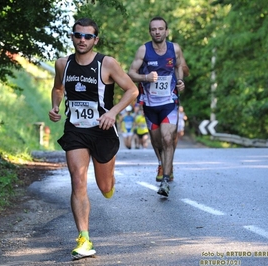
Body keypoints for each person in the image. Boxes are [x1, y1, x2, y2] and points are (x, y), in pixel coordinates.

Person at [48, 18, 138, 260]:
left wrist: (112, 112)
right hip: (76, 130)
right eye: (78, 35)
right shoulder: (62, 64)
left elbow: (132, 90)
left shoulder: (107, 63)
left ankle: (109, 180)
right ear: (72, 37)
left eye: (88, 36)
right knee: (78, 180)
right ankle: (84, 238)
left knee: (104, 186)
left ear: (95, 40)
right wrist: (55, 106)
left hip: (102, 130)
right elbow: (58, 88)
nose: (82, 40)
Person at [128, 16, 186, 197]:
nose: (157, 32)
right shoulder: (143, 50)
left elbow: (180, 66)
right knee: (156, 141)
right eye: (154, 29)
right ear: (150, 32)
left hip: (169, 102)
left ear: (166, 31)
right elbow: (131, 72)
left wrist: (180, 80)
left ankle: (166, 180)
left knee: (168, 138)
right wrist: (146, 78)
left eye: (161, 29)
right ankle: (162, 164)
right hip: (150, 104)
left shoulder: (174, 48)